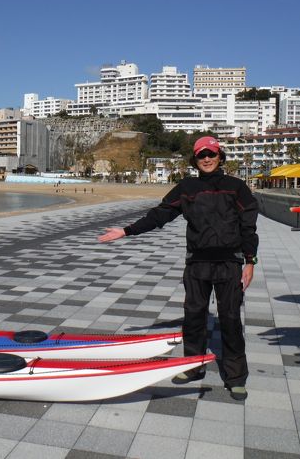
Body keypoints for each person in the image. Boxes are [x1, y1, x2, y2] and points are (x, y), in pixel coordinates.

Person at [98, 136, 258, 401]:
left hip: (229, 264)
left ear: (220, 157)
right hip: (196, 263)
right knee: (193, 317)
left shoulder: (236, 187)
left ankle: (236, 377)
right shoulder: (187, 187)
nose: (206, 159)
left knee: (230, 319)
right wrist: (126, 231)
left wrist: (250, 261)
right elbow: (160, 215)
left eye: (212, 154)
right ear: (194, 159)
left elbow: (248, 227)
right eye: (201, 155)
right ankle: (193, 367)